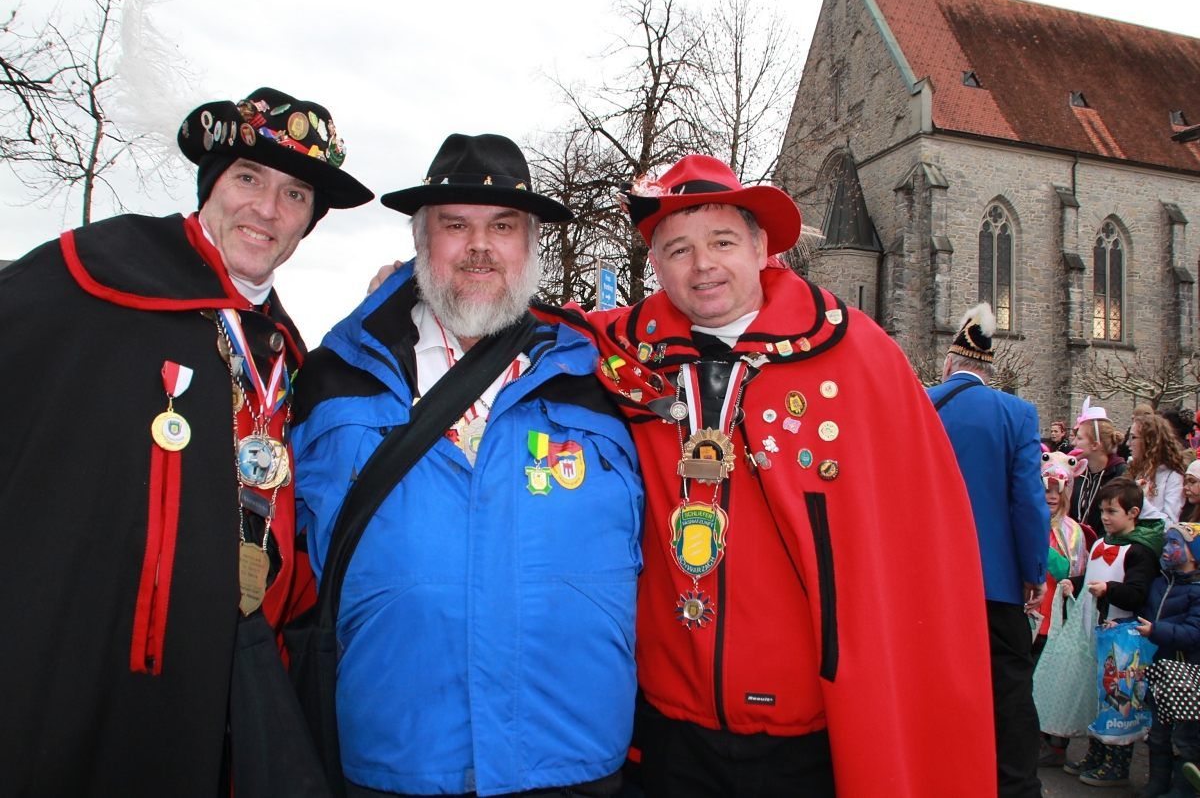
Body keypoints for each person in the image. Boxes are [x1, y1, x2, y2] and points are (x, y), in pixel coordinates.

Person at [535, 155, 996, 797]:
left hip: (807, 738)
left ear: (761, 246)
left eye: (722, 241)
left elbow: (921, 545)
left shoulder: (861, 359)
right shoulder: (621, 354)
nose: (702, 266)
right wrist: (408, 294)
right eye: (677, 249)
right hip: (665, 728)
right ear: (655, 264)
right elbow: (511, 316)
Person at [0, 86, 373, 796]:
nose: (267, 209)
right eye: (248, 179)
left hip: (231, 679)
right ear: (212, 184)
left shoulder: (283, 350)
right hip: (84, 663)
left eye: (295, 195)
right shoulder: (94, 277)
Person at [291, 133, 644, 797]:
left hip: (572, 758)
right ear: (422, 242)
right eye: (456, 225)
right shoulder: (334, 379)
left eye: (502, 226)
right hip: (396, 759)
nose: (480, 246)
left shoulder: (606, 379)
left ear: (530, 245)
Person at [928, 303, 1051, 798]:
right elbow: (1028, 502)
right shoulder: (1015, 413)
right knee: (1009, 692)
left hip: (931, 581)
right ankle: (1015, 787)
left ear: (949, 365)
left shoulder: (922, 406)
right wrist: (1033, 571)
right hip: (996, 582)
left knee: (935, 688)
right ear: (988, 367)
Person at [1062, 478, 1164, 786]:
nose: (1105, 517)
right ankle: (1096, 752)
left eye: (1111, 511)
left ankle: (1117, 763)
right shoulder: (1101, 543)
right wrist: (1075, 584)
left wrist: (1109, 590)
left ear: (1133, 513)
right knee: (1098, 698)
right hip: (1096, 633)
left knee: (1119, 702)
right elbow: (1093, 575)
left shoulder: (1139, 552)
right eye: (1102, 511)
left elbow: (1136, 594)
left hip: (1122, 639)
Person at [1135, 522, 1200, 797]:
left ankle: (1183, 789)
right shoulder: (1161, 581)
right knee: (1158, 733)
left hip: (1186, 673)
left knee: (1185, 738)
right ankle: (1157, 784)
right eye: (1167, 542)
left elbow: (1194, 632)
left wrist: (1155, 631)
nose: (1167, 548)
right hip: (1159, 669)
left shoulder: (1196, 590)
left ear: (1194, 555)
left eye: (1176, 544)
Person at [1034, 450, 1089, 768]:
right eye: (1046, 489)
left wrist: (1038, 545)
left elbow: (1069, 571)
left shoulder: (1073, 531)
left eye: (1058, 490)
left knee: (1054, 678)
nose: (1052, 496)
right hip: (1032, 616)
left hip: (1057, 618)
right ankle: (1036, 737)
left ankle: (1055, 743)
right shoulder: (1029, 520)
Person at [1071, 397, 1129, 538]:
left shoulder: (1120, 474)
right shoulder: (1079, 472)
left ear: (1095, 445)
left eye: (1079, 438)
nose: (1073, 443)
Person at [1129, 412, 1187, 522]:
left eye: (1133, 437)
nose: (1128, 443)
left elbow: (1169, 525)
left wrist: (1140, 499)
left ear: (1149, 441)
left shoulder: (1173, 476)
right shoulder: (1139, 471)